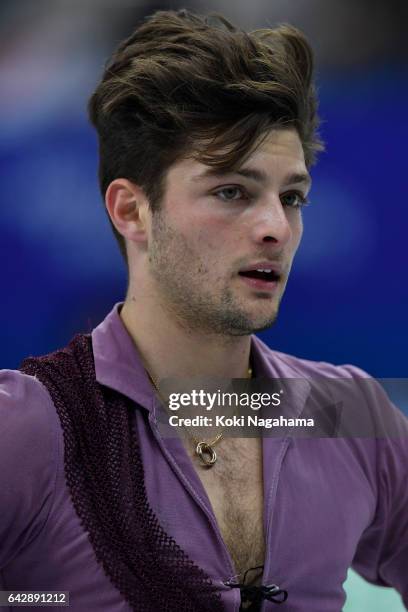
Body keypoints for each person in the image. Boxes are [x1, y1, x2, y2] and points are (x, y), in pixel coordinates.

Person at [0, 9, 407, 612]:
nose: (276, 227)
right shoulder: (25, 427)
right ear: (131, 211)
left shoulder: (348, 412)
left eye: (291, 197)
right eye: (231, 192)